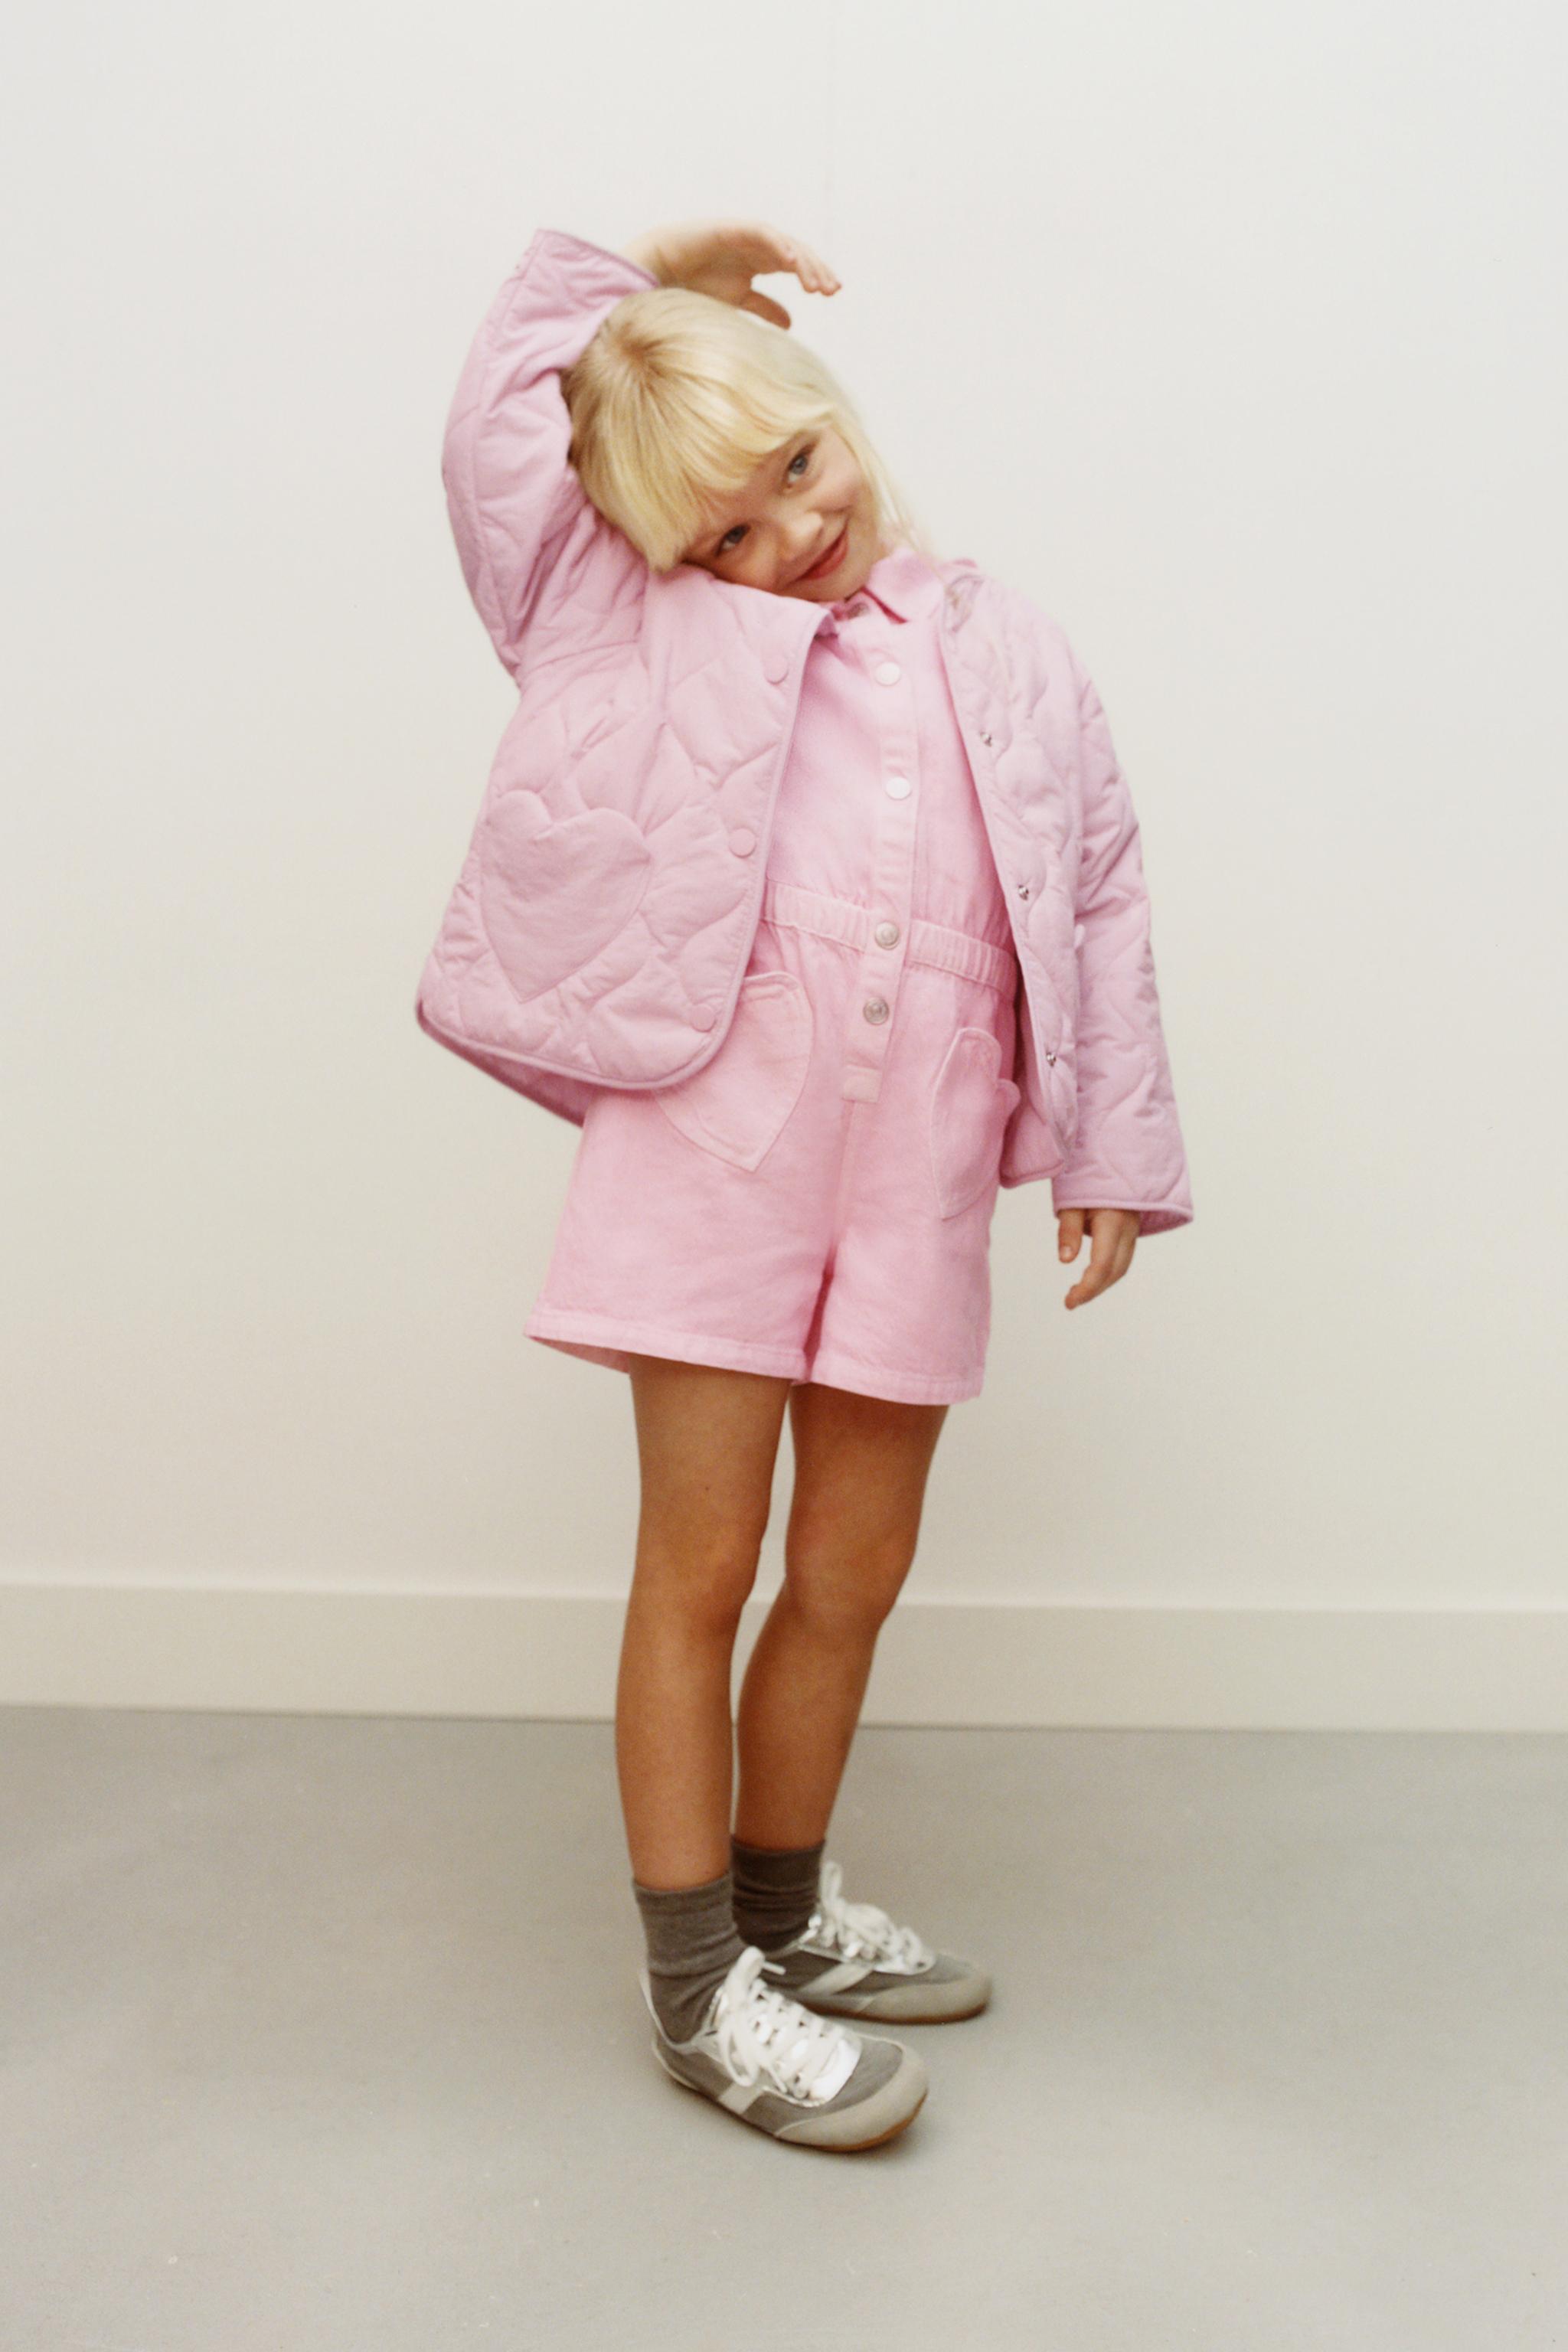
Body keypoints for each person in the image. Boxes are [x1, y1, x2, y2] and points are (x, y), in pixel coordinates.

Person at [416, 217, 1194, 2151]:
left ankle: (782, 1918)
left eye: (795, 465)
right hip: (713, 1151)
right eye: (728, 534)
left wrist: (1110, 1142)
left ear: (834, 410)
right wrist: (636, 279)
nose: (788, 530)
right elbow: (499, 445)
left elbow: (1097, 891)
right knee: (698, 1567)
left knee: (850, 1571)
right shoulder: (628, 619)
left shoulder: (1009, 647)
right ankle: (698, 1990)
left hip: (914, 1165)